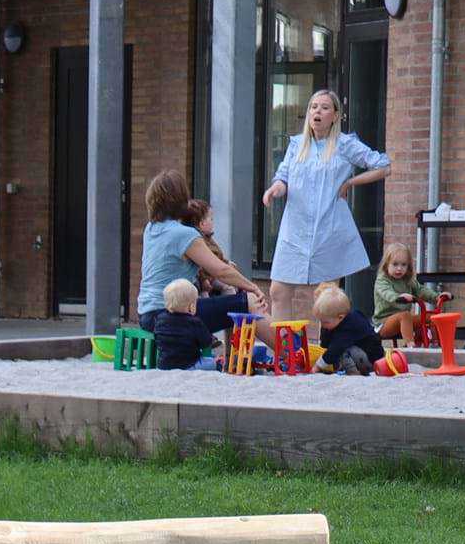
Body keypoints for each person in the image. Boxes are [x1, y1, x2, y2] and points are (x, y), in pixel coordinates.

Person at [261, 89, 391, 333]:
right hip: (295, 228)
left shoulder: (345, 144)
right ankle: (284, 350)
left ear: (335, 115)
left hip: (329, 227)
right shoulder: (296, 145)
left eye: (323, 107)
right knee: (278, 290)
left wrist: (351, 182)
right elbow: (283, 177)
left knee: (326, 296)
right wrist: (274, 190)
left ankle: (328, 350)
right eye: (313, 107)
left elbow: (383, 166)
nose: (317, 112)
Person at [136, 171, 272, 346]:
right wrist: (253, 287)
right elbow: (221, 270)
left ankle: (237, 358)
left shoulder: (151, 229)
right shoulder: (184, 235)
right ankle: (291, 353)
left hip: (147, 316)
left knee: (235, 301)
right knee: (250, 302)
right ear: (180, 199)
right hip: (172, 316)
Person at [372, 242, 443, 345]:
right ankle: (410, 347)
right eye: (395, 264)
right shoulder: (382, 280)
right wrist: (398, 297)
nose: (399, 268)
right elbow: (386, 293)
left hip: (405, 320)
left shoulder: (408, 279)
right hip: (384, 323)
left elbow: (421, 290)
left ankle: (435, 345)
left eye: (403, 265)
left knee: (431, 317)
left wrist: (437, 297)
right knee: (405, 316)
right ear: (387, 264)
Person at [313, 286, 387, 374]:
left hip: (371, 360)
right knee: (336, 348)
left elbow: (335, 348)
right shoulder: (338, 321)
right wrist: (326, 331)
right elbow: (324, 345)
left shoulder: (349, 325)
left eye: (325, 322)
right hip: (361, 354)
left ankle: (353, 373)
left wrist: (317, 367)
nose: (323, 325)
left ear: (340, 317)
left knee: (340, 350)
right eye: (321, 321)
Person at [153, 280, 215, 370]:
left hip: (164, 365)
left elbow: (157, 338)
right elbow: (206, 343)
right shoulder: (194, 322)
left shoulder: (160, 319)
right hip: (188, 365)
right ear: (191, 305)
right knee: (210, 362)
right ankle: (219, 364)